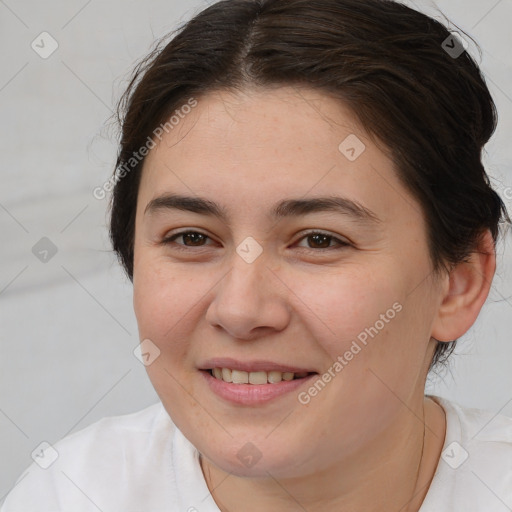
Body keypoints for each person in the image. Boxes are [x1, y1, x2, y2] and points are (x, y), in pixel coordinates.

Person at [3, 0, 511, 510]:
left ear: (458, 282)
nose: (240, 311)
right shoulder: (68, 495)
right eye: (192, 238)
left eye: (319, 240)